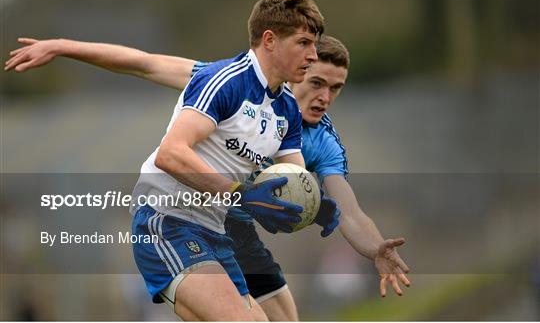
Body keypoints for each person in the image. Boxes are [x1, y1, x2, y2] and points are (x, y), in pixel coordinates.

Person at [6, 34, 410, 321]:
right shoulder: (231, 84)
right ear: (292, 69)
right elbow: (142, 63)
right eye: (316, 82)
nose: (324, 96)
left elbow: (349, 209)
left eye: (335, 88)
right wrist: (62, 47)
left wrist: (375, 248)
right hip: (185, 217)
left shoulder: (322, 141)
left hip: (235, 228)